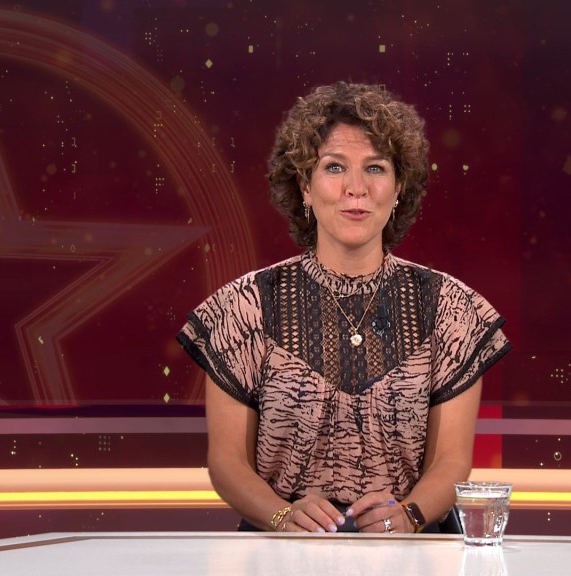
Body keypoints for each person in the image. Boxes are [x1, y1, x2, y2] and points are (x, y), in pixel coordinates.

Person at [178, 81, 511, 534]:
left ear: (398, 188)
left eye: (375, 168)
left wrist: (408, 516)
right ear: (305, 187)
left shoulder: (450, 308)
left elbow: (451, 461)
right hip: (279, 547)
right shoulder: (244, 307)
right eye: (334, 167)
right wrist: (281, 516)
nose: (356, 188)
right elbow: (226, 462)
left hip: (408, 548)